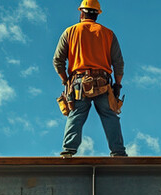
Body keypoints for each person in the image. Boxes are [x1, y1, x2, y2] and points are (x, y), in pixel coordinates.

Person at [53, 0, 126, 158]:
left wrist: (66, 81)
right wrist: (118, 84)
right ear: (97, 15)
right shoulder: (108, 34)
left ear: (81, 13)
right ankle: (118, 153)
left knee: (76, 114)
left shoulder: (70, 31)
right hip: (103, 83)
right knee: (110, 115)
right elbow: (118, 63)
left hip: (79, 83)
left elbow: (57, 61)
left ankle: (68, 151)